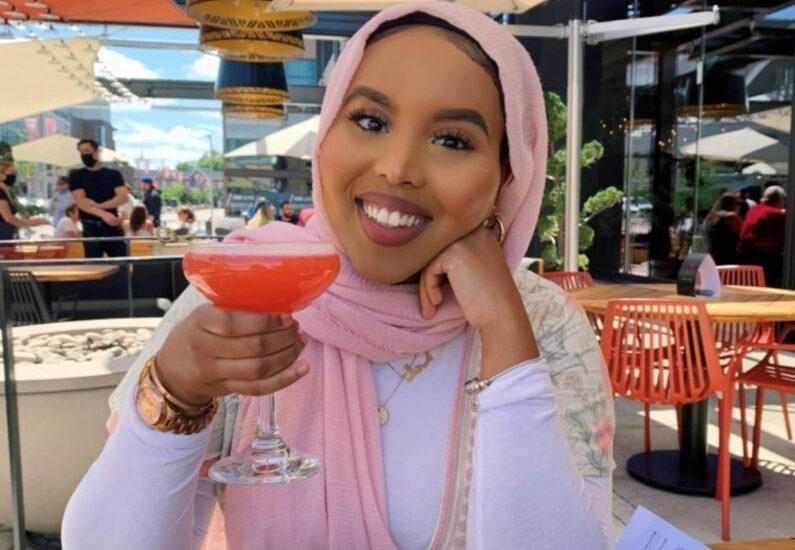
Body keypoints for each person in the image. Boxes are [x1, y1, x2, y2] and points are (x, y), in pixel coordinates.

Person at [63, 6, 614, 549]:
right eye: (370, 121)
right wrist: (177, 390)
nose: (397, 167)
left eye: (452, 140)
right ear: (325, 136)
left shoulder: (543, 325)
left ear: (507, 174)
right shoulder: (250, 290)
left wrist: (503, 330)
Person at [68, 138, 129, 257]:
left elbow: (123, 197)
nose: (84, 155)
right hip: (90, 227)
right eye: (81, 152)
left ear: (97, 152)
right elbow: (81, 202)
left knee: (121, 263)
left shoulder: (113, 174)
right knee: (93, 265)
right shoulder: (76, 175)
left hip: (113, 226)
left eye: (87, 150)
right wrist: (104, 214)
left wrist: (99, 206)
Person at [738, 185, 787, 287]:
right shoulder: (777, 214)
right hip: (762, 258)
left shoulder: (753, 210)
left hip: (743, 257)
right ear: (779, 200)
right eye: (784, 199)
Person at [0, 156, 48, 240]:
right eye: (10, 173)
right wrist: (28, 225)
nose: (13, 176)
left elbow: (16, 216)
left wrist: (33, 222)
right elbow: (8, 218)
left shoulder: (7, 192)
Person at [703, 192, 742, 266]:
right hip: (729, 258)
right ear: (732, 204)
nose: (738, 206)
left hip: (714, 257)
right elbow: (741, 234)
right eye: (737, 203)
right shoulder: (732, 217)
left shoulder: (712, 217)